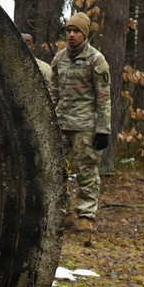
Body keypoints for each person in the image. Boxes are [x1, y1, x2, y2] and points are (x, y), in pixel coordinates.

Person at [48, 12, 111, 233]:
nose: (72, 35)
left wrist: (103, 130)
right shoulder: (59, 59)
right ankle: (62, 213)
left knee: (87, 173)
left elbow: (103, 97)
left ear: (85, 34)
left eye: (76, 31)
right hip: (60, 125)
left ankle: (86, 216)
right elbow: (52, 92)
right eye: (69, 30)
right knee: (56, 170)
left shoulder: (96, 59)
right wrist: (47, 121)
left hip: (86, 127)